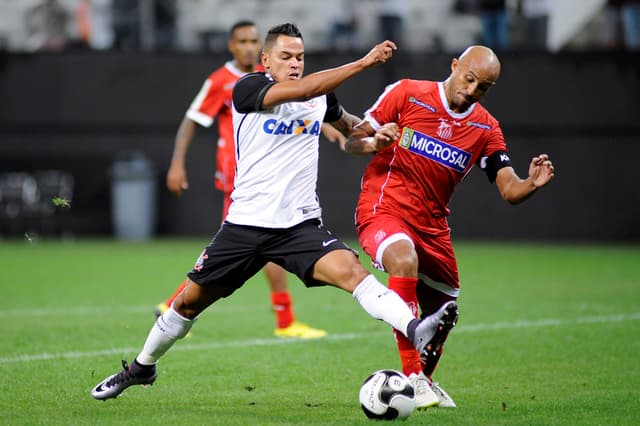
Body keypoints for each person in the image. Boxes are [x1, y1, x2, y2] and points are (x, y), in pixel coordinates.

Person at [91, 22, 457, 402]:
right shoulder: (248, 88)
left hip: (298, 227)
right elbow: (305, 88)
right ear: (265, 60)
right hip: (244, 227)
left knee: (353, 273)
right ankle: (141, 368)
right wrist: (363, 63)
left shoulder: (321, 99)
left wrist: (372, 140)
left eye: (300, 57)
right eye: (285, 57)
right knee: (187, 302)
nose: (294, 63)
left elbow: (350, 135)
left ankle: (416, 329)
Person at [344, 45, 555, 408]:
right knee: (403, 258)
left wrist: (530, 184)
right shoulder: (407, 93)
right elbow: (351, 141)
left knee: (446, 308)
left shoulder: (486, 128)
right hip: (384, 209)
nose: (472, 90)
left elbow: (508, 189)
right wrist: (372, 143)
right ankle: (412, 378)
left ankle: (425, 378)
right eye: (469, 79)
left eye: (483, 87)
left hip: (432, 225)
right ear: (455, 66)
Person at [160, 20, 338, 339]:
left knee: (237, 246)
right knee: (264, 241)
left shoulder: (272, 78)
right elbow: (192, 119)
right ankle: (284, 319)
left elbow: (301, 107)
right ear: (231, 46)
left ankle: (174, 303)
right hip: (240, 175)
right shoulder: (224, 81)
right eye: (241, 41)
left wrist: (326, 126)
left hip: (265, 175)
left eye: (252, 40)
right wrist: (177, 164)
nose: (247, 46)